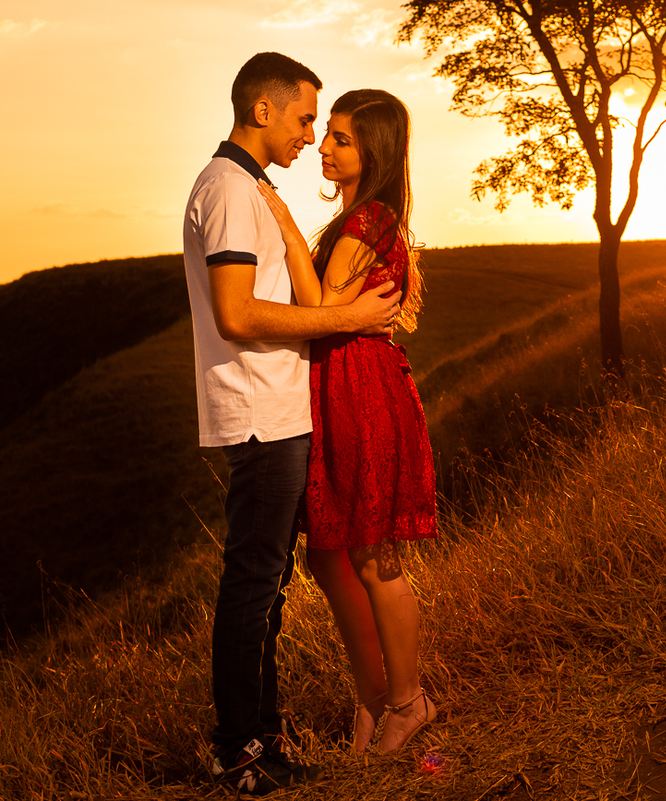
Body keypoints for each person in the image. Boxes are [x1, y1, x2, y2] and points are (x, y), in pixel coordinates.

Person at [183, 53, 402, 795]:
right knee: (253, 586)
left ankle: (260, 744)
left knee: (265, 587)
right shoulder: (231, 189)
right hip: (261, 413)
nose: (312, 133)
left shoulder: (249, 189)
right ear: (264, 109)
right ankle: (239, 753)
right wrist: (344, 318)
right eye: (307, 118)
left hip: (278, 409)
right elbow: (237, 312)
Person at [256, 88, 438, 755]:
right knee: (328, 556)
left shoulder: (369, 220)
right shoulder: (363, 219)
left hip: (360, 392)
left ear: (375, 151)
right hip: (338, 389)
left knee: (371, 557)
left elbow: (322, 304)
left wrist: (278, 217)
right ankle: (370, 698)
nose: (324, 148)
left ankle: (408, 700)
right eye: (325, 134)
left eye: (340, 138)